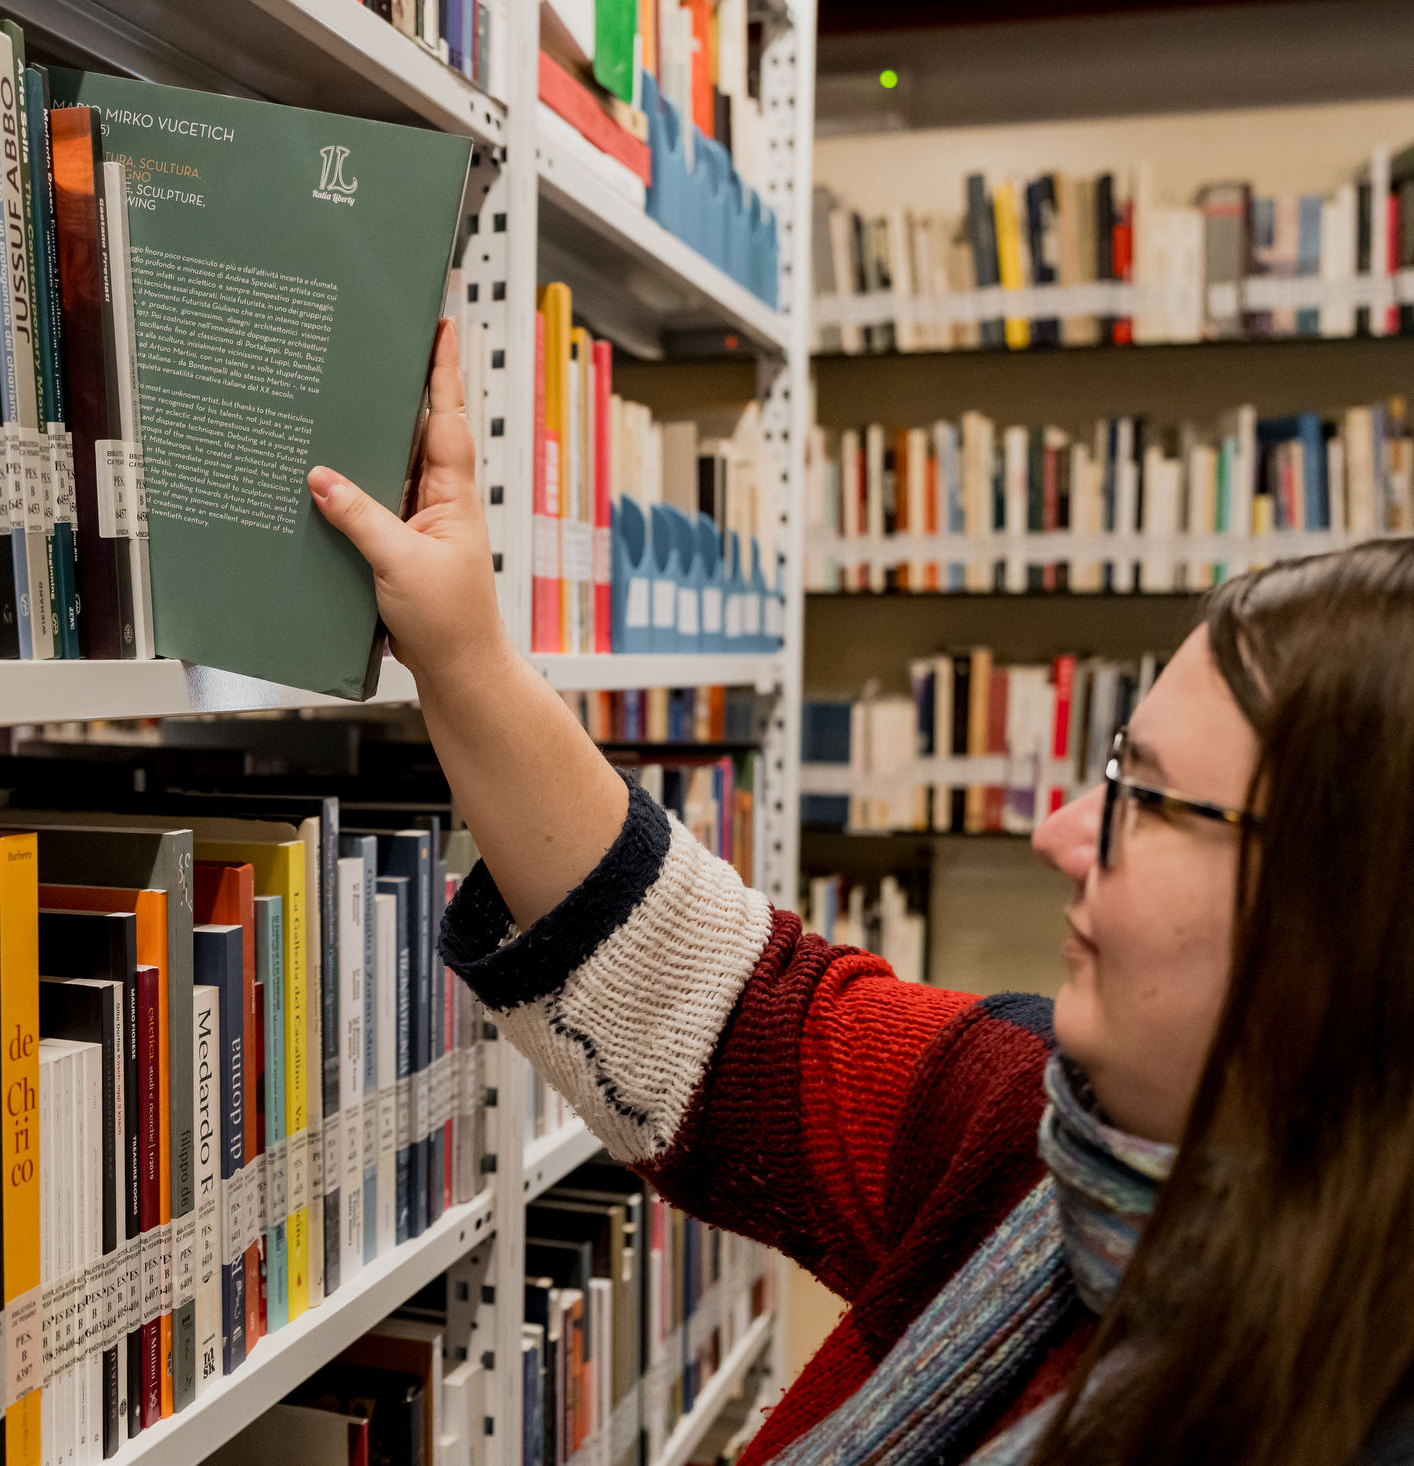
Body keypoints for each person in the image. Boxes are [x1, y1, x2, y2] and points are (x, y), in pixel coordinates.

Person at [306, 320, 1414, 1466]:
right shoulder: (1039, 1132)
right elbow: (731, 1016)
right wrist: (466, 655)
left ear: (1353, 914)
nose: (1060, 833)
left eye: (1146, 797)